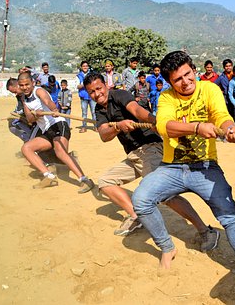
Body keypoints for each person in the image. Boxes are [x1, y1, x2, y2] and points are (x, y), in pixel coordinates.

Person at [131, 51, 235, 269]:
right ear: (169, 82)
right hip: (172, 167)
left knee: (229, 215)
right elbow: (163, 126)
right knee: (141, 200)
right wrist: (196, 127)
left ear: (194, 70)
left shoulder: (209, 89)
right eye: (178, 79)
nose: (186, 82)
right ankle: (167, 247)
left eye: (188, 74)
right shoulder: (166, 97)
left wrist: (230, 128)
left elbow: (221, 116)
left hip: (205, 166)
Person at [83, 73, 219, 246]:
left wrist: (155, 121)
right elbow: (104, 134)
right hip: (134, 156)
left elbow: (137, 110)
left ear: (106, 85)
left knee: (166, 195)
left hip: (150, 149)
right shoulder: (99, 109)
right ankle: (135, 216)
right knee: (105, 182)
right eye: (92, 92)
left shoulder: (119, 95)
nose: (97, 94)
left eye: (99, 89)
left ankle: (205, 231)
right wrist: (118, 126)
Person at [17, 72, 95, 192]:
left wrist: (53, 109)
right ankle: (49, 177)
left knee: (60, 152)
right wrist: (36, 115)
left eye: (27, 84)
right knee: (26, 148)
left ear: (32, 83)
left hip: (58, 124)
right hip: (47, 131)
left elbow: (48, 101)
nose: (24, 87)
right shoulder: (24, 99)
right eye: (21, 85)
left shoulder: (38, 91)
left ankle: (84, 180)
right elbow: (29, 119)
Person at [76, 60, 96, 133]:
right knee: (84, 112)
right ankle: (84, 127)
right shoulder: (78, 76)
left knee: (94, 112)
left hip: (92, 96)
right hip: (83, 96)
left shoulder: (92, 75)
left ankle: (95, 126)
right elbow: (78, 86)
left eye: (86, 66)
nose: (85, 67)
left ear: (88, 67)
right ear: (81, 67)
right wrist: (85, 84)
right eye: (84, 66)